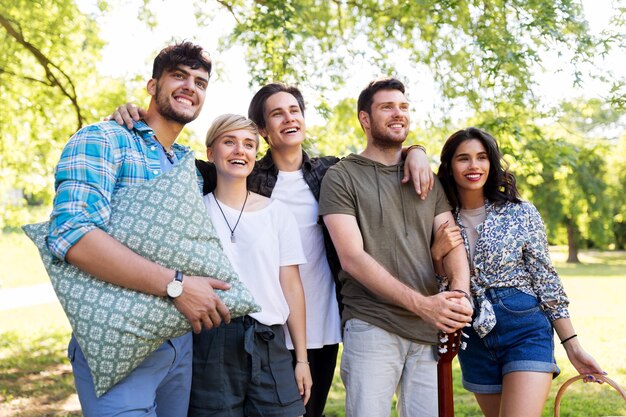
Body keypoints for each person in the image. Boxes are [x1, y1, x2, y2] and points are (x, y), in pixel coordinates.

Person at [110, 82, 434, 417]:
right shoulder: (244, 173)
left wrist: (416, 150)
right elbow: (174, 159)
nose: (288, 119)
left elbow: (379, 158)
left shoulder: (332, 172)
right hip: (257, 322)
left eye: (294, 111)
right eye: (277, 114)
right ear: (264, 130)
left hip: (318, 322)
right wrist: (135, 119)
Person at [48, 41, 231, 417]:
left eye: (200, 82)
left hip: (179, 346)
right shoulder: (104, 138)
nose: (190, 87)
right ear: (152, 86)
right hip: (120, 344)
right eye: (178, 76)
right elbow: (73, 234)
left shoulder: (186, 167)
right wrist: (176, 285)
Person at [318, 77, 474, 417]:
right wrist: (423, 305)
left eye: (403, 107)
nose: (398, 113)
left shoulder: (425, 175)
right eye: (387, 107)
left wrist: (460, 296)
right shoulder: (341, 177)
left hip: (429, 329)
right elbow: (353, 258)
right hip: (373, 323)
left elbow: (452, 241)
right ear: (365, 119)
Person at [432, 127, 605, 417]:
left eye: (482, 157)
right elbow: (438, 286)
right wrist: (436, 253)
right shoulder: (438, 218)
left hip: (524, 329)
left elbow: (546, 281)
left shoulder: (521, 212)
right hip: (472, 337)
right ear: (449, 166)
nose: (474, 166)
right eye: (463, 158)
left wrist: (573, 347)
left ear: (492, 163)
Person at [188, 114, 311, 417]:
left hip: (268, 341)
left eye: (248, 144)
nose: (239, 151)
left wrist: (302, 360)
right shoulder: (193, 212)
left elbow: (292, 287)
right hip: (211, 342)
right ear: (211, 153)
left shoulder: (277, 213)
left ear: (255, 155)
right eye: (228, 142)